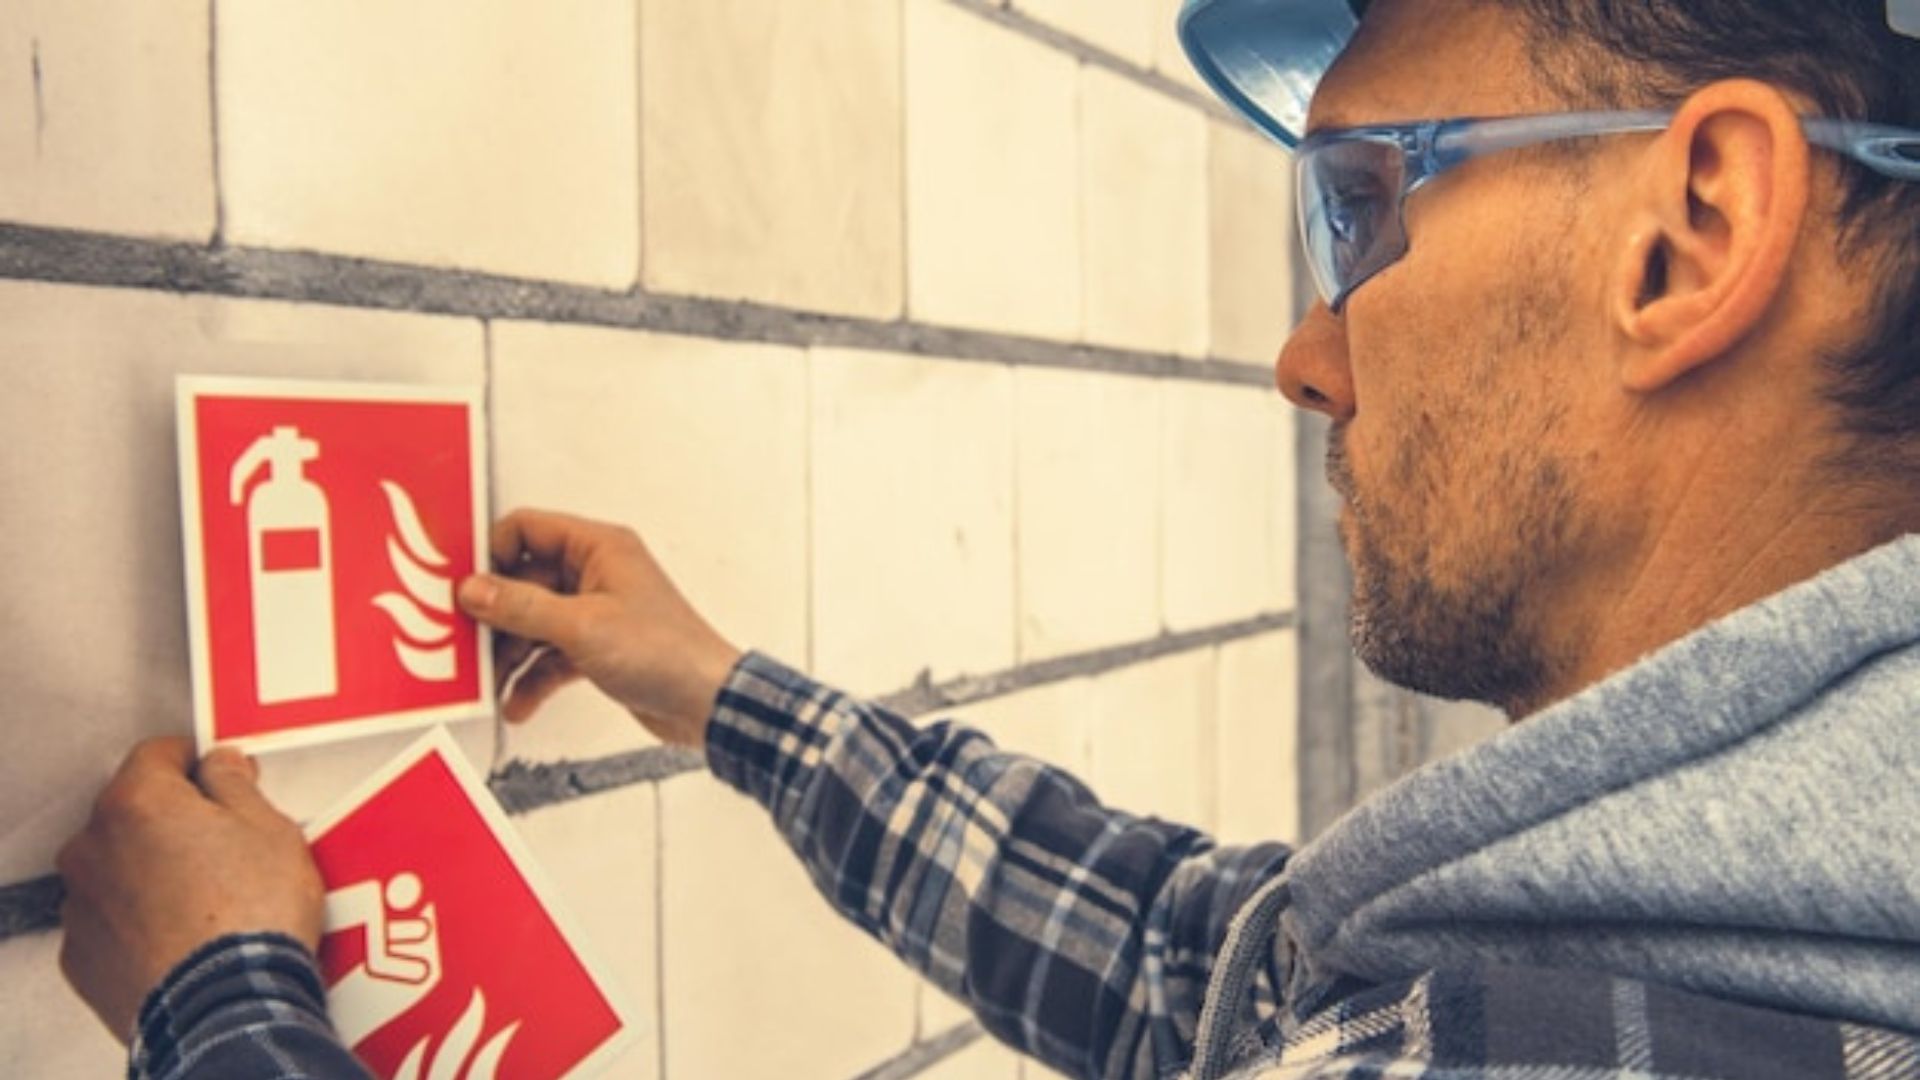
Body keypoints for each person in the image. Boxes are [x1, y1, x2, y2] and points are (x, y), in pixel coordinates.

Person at [55, 0, 1920, 1076]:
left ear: (1689, 229)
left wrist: (221, 1009)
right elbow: (1218, 978)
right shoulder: (1747, 918)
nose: (1306, 357)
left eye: (1363, 210)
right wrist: (713, 689)